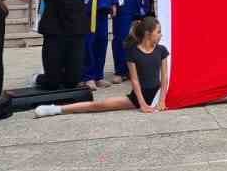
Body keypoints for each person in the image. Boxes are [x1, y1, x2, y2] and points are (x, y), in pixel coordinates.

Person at [35, 15, 169, 116]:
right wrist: (142, 104)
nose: (161, 34)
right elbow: (134, 80)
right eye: (158, 32)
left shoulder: (161, 51)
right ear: (147, 34)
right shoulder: (133, 52)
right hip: (137, 98)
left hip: (156, 95)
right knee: (98, 105)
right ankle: (56, 109)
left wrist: (162, 100)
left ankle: (56, 108)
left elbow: (164, 78)